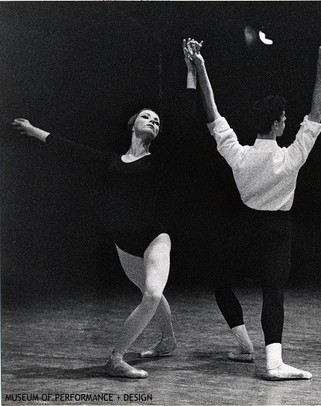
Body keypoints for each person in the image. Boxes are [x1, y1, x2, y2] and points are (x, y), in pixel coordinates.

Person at [11, 39, 199, 379]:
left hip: (155, 236)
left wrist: (190, 72)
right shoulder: (111, 162)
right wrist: (32, 131)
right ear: (132, 125)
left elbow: (187, 116)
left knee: (153, 292)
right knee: (149, 294)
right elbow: (70, 149)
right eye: (146, 116)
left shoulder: (159, 161)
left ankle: (115, 357)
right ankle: (168, 342)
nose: (153, 121)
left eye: (157, 120)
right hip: (123, 242)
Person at [187, 39, 321, 381]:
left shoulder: (239, 155)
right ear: (279, 124)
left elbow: (212, 113)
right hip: (277, 231)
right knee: (274, 293)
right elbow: (316, 114)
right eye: (284, 119)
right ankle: (272, 363)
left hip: (243, 227)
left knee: (222, 284)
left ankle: (243, 346)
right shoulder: (290, 156)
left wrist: (201, 67)